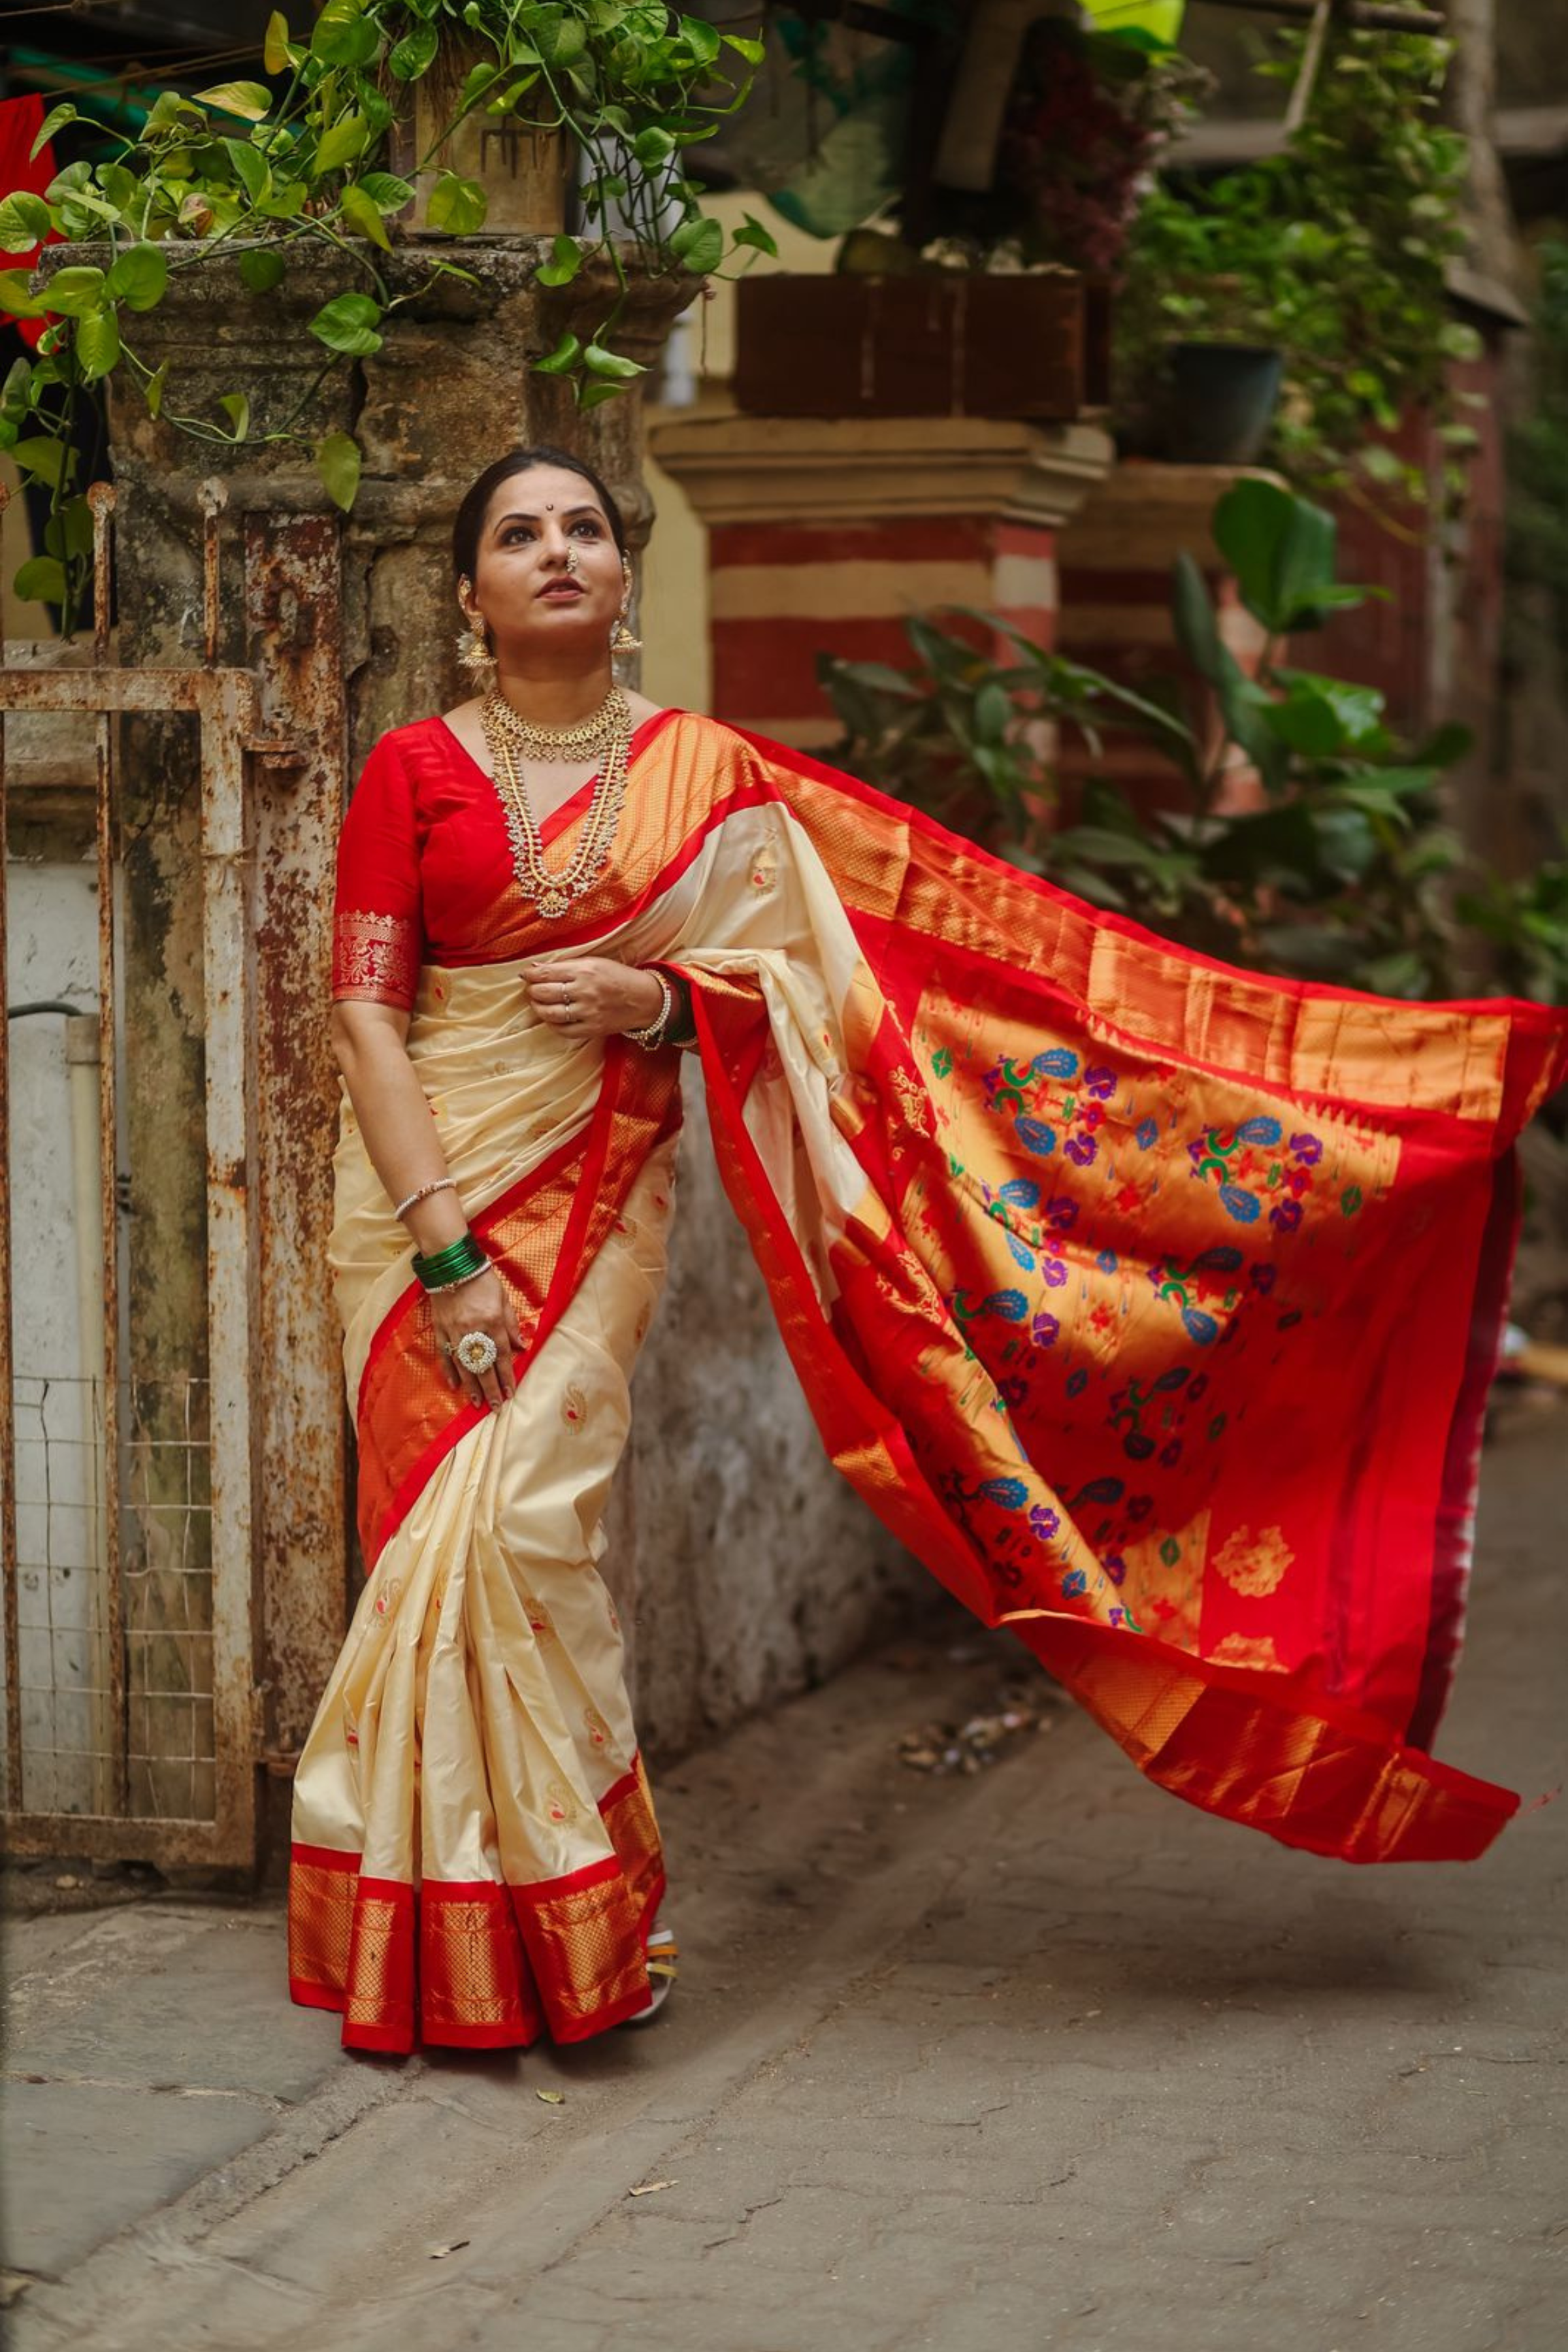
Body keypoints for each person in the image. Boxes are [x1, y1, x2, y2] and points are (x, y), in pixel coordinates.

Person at [288, 442, 1568, 2056]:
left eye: (588, 530)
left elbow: (828, 986)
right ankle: (436, 1939)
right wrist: (441, 1244)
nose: (558, 552)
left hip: (598, 1189)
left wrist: (666, 1001)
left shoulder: (705, 773)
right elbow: (362, 1011)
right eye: (520, 535)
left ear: (624, 580)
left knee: (530, 1533)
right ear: (468, 594)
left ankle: (564, 1935)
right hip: (415, 1211)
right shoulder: (411, 767)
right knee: (427, 1550)